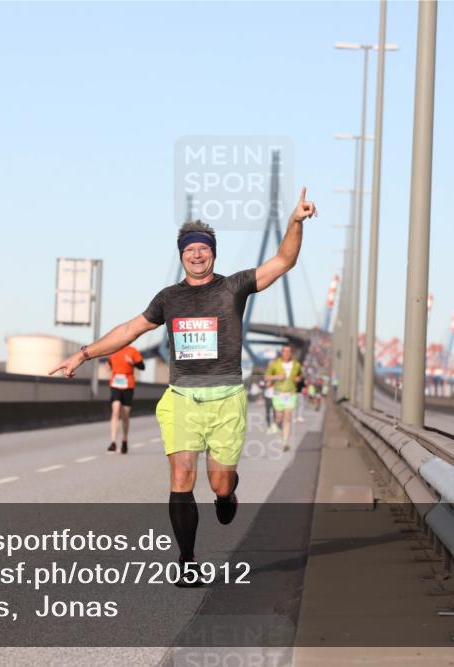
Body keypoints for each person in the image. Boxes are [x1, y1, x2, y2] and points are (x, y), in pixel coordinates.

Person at [49, 187, 317, 586]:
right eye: (189, 249)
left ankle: (228, 497)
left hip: (226, 398)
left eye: (203, 249)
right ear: (181, 256)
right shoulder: (168, 298)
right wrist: (85, 353)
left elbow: (283, 260)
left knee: (219, 483)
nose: (196, 254)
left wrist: (294, 222)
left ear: (213, 253)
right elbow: (129, 330)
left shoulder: (233, 287)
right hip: (181, 400)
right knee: (181, 477)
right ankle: (187, 562)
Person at [106, 344, 144, 453]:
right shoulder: (113, 349)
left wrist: (132, 362)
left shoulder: (133, 351)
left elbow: (142, 366)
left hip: (128, 385)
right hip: (115, 384)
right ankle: (113, 442)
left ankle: (124, 440)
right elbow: (109, 365)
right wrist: (108, 367)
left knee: (125, 415)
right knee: (116, 409)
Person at [264, 345, 302, 451]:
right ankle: (277, 424)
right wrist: (277, 377)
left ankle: (285, 442)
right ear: (282, 353)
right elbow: (266, 377)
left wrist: (298, 379)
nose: (287, 353)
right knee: (279, 417)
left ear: (291, 353)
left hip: (290, 394)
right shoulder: (274, 364)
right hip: (278, 394)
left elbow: (300, 376)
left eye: (289, 351)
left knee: (288, 417)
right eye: (285, 351)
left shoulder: (296, 365)